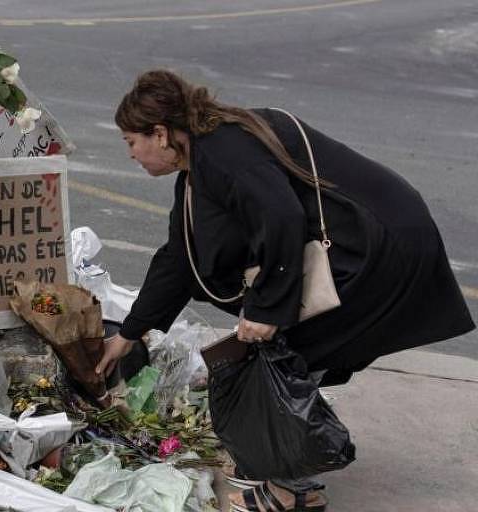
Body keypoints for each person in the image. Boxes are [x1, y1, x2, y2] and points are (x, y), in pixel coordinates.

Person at [95, 69, 475, 512]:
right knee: (285, 353)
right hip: (370, 241)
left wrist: (268, 308)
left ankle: (292, 489)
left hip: (379, 245)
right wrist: (128, 335)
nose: (131, 155)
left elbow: (282, 217)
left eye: (130, 142)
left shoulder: (223, 152)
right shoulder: (203, 164)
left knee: (282, 354)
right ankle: (291, 473)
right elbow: (178, 259)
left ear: (159, 134)